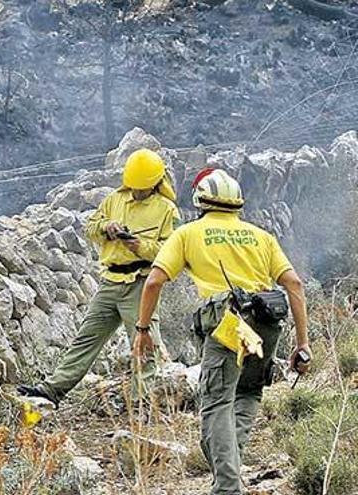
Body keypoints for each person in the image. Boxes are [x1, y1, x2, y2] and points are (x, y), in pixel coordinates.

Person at [134, 168, 311, 495]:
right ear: (237, 203)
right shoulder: (261, 236)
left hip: (228, 325)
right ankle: (228, 473)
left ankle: (227, 488)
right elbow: (294, 284)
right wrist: (302, 343)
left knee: (215, 404)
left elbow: (155, 280)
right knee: (246, 394)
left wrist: (143, 329)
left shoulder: (189, 233)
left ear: (201, 201)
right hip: (266, 325)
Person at [17, 149, 180, 403]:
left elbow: (173, 251)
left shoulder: (167, 210)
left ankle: (141, 405)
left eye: (142, 188)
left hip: (139, 283)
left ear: (156, 183)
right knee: (86, 338)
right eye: (134, 187)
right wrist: (107, 227)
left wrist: (141, 246)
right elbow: (90, 227)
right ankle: (52, 390)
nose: (137, 192)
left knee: (144, 346)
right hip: (110, 282)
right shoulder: (114, 200)